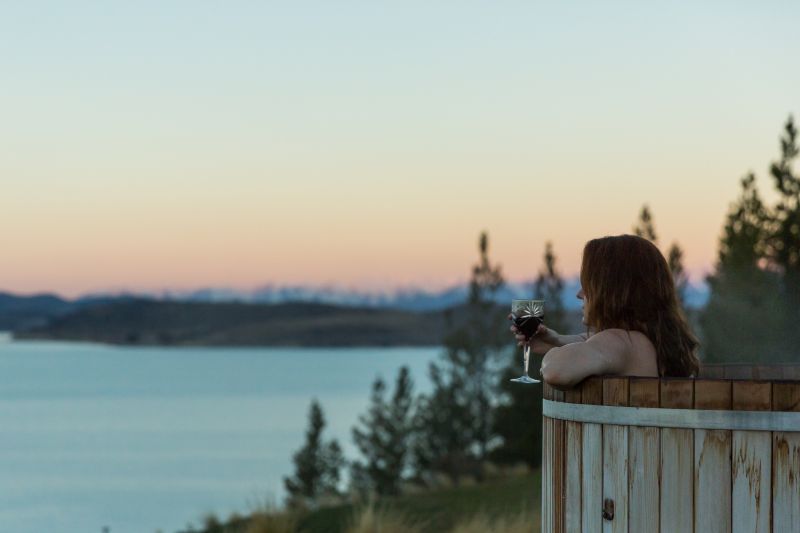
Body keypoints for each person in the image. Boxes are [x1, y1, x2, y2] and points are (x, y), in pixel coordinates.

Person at [511, 234, 699, 389]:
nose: (580, 294)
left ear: (612, 292)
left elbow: (556, 371)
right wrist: (557, 340)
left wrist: (552, 355)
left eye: (588, 286)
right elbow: (594, 343)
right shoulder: (646, 339)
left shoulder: (621, 341)